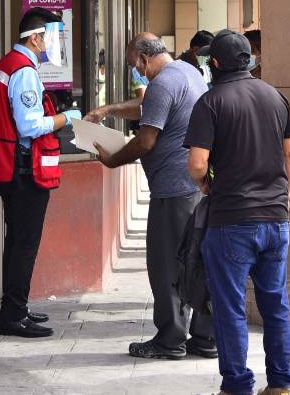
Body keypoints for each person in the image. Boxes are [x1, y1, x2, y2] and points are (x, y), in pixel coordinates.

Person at [186, 30, 290, 395]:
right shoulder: (275, 97)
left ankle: (237, 385)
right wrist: (283, 198)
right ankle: (281, 382)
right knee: (275, 304)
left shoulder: (210, 102)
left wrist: (206, 186)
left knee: (230, 307)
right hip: (275, 218)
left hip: (231, 219)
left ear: (216, 63)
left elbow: (197, 164)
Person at [92, 34, 215, 359]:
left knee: (166, 265)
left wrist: (112, 159)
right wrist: (110, 109)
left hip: (173, 190)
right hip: (195, 186)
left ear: (144, 59)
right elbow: (150, 107)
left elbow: (145, 141)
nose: (137, 72)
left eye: (135, 65)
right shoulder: (187, 72)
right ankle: (206, 337)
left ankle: (170, 339)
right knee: (198, 261)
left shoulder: (161, 83)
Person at [0, 7, 82, 339]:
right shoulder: (23, 71)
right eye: (50, 38)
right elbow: (30, 125)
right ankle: (14, 316)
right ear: (35, 38)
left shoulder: (7, 65)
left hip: (11, 168)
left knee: (16, 241)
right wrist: (67, 118)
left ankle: (13, 308)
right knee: (25, 244)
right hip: (24, 172)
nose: (52, 45)